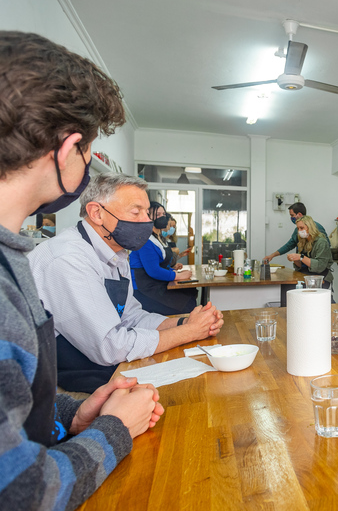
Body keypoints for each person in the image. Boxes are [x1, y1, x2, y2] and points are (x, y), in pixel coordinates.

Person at [0, 30, 163, 509]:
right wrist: (115, 429)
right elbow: (21, 493)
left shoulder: (15, 257)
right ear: (69, 147)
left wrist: (72, 413)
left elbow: (15, 404)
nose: (88, 164)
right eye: (89, 152)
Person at [29, 172, 224, 393]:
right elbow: (110, 346)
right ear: (97, 213)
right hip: (56, 386)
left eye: (146, 212)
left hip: (101, 366)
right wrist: (189, 332)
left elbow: (131, 316)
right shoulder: (68, 259)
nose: (146, 221)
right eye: (136, 212)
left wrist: (186, 323)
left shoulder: (117, 254)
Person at [129, 202, 198, 315]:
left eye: (163, 214)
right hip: (144, 290)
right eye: (158, 214)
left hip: (156, 284)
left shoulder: (158, 239)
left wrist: (173, 271)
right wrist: (177, 275)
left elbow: (162, 265)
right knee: (187, 305)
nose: (162, 217)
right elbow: (153, 270)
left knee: (190, 292)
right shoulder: (145, 240)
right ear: (148, 216)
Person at [287, 215, 334, 289]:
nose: (299, 231)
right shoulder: (303, 242)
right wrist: (295, 259)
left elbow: (319, 266)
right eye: (298, 228)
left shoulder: (321, 242)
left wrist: (301, 257)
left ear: (310, 227)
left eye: (301, 228)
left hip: (321, 279)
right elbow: (302, 266)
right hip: (307, 277)